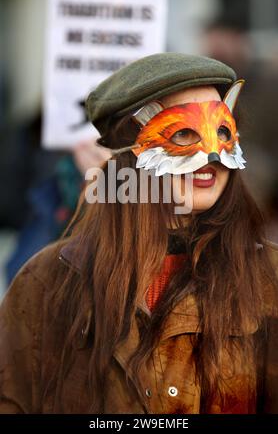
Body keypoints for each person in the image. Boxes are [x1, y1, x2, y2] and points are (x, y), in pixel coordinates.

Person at [0, 53, 278, 414]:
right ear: (129, 154)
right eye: (183, 134)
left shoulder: (268, 277)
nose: (212, 155)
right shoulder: (49, 279)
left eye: (223, 132)